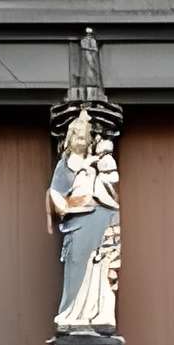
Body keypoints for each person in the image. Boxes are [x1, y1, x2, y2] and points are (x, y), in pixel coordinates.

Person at [47, 109, 121, 332]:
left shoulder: (100, 162)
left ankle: (99, 313)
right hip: (77, 223)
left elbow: (112, 190)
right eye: (77, 137)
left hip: (101, 219)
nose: (80, 140)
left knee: (100, 267)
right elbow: (56, 196)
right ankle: (72, 312)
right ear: (70, 139)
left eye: (84, 137)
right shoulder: (65, 165)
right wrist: (75, 204)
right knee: (77, 266)